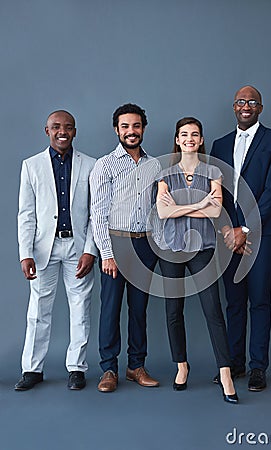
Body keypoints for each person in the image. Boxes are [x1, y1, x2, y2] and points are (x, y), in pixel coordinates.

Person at [210, 85, 271, 391]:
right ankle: (234, 364)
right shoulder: (219, 144)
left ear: (260, 107)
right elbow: (216, 194)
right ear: (234, 107)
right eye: (241, 102)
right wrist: (229, 230)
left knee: (259, 300)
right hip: (228, 236)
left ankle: (258, 367)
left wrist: (246, 229)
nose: (246, 106)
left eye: (252, 102)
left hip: (261, 235)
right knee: (234, 302)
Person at [155, 117, 238, 403]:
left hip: (202, 247)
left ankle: (225, 372)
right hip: (171, 248)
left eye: (195, 134)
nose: (189, 138)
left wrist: (183, 207)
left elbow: (216, 213)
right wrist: (201, 203)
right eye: (184, 134)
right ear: (177, 140)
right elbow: (163, 214)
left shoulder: (213, 171)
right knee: (173, 311)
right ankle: (181, 366)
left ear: (201, 140)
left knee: (213, 309)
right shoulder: (165, 173)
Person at [16, 110, 97, 391]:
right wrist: (25, 253)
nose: (62, 131)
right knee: (38, 310)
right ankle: (32, 369)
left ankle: (76, 368)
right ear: (47, 130)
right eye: (56, 127)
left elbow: (95, 214)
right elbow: (26, 214)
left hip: (78, 247)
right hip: (43, 250)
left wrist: (90, 251)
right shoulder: (31, 166)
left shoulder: (91, 165)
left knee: (80, 309)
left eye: (68, 127)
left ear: (75, 131)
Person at [90, 103, 161, 393]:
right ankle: (108, 368)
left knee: (139, 309)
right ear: (117, 130)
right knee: (110, 308)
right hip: (115, 245)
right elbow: (99, 212)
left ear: (143, 128)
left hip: (144, 245)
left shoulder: (154, 165)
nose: (131, 132)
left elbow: (159, 209)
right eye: (125, 126)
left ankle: (136, 366)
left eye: (136, 126)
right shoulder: (104, 165)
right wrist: (107, 253)